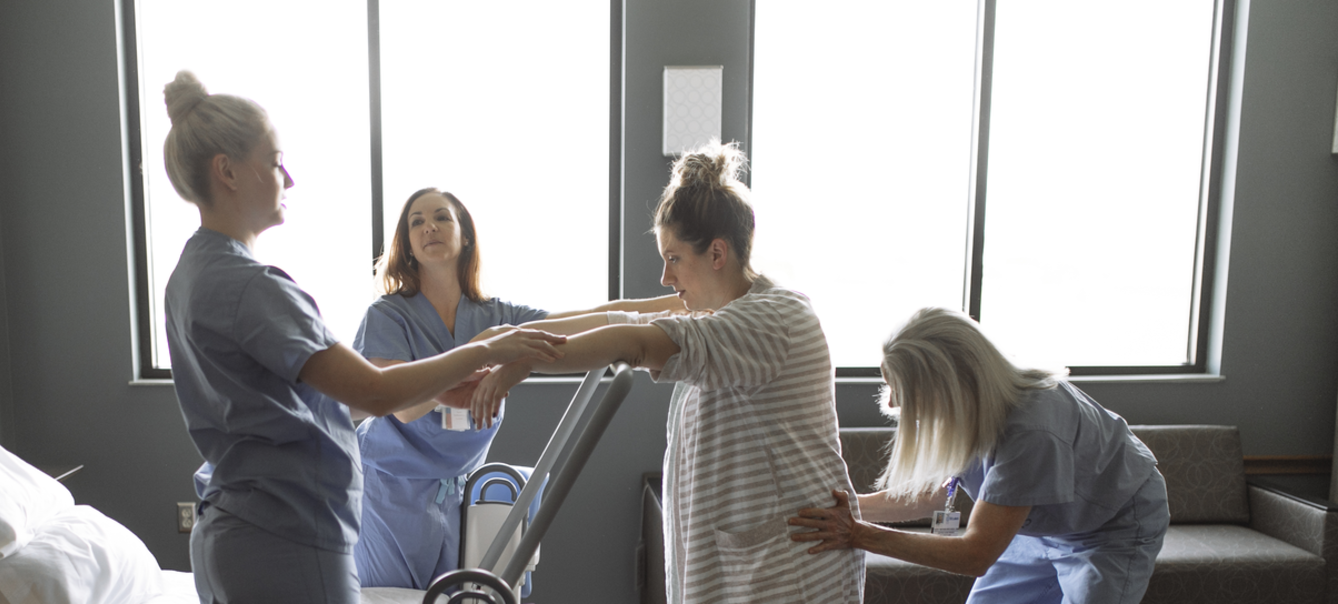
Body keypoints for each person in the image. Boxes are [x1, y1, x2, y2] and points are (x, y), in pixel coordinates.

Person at [158, 71, 566, 604]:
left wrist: (441, 389)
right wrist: (490, 349)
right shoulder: (253, 288)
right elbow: (373, 393)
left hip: (242, 529)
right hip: (286, 537)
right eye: (276, 161)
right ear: (228, 171)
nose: (289, 178)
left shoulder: (192, 273)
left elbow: (313, 403)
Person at [467, 142, 864, 603]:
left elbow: (634, 343)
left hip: (790, 572)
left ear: (717, 254)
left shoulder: (772, 319)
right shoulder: (722, 310)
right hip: (747, 563)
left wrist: (526, 363)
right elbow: (621, 316)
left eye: (673, 259)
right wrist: (504, 339)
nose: (664, 277)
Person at [351, 187, 682, 589]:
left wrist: (682, 305)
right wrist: (483, 348)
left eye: (441, 217)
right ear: (407, 245)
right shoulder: (387, 316)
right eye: (416, 222)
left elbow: (590, 318)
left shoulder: (497, 316)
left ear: (465, 235)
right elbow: (399, 405)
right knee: (389, 598)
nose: (429, 227)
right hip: (391, 492)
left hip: (459, 495)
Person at [789, 307, 1168, 604]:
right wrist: (849, 507)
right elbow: (937, 494)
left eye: (900, 389)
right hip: (1035, 525)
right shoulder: (965, 411)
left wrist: (857, 534)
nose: (891, 402)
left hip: (1110, 528)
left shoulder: (1031, 430)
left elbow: (975, 554)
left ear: (948, 384)